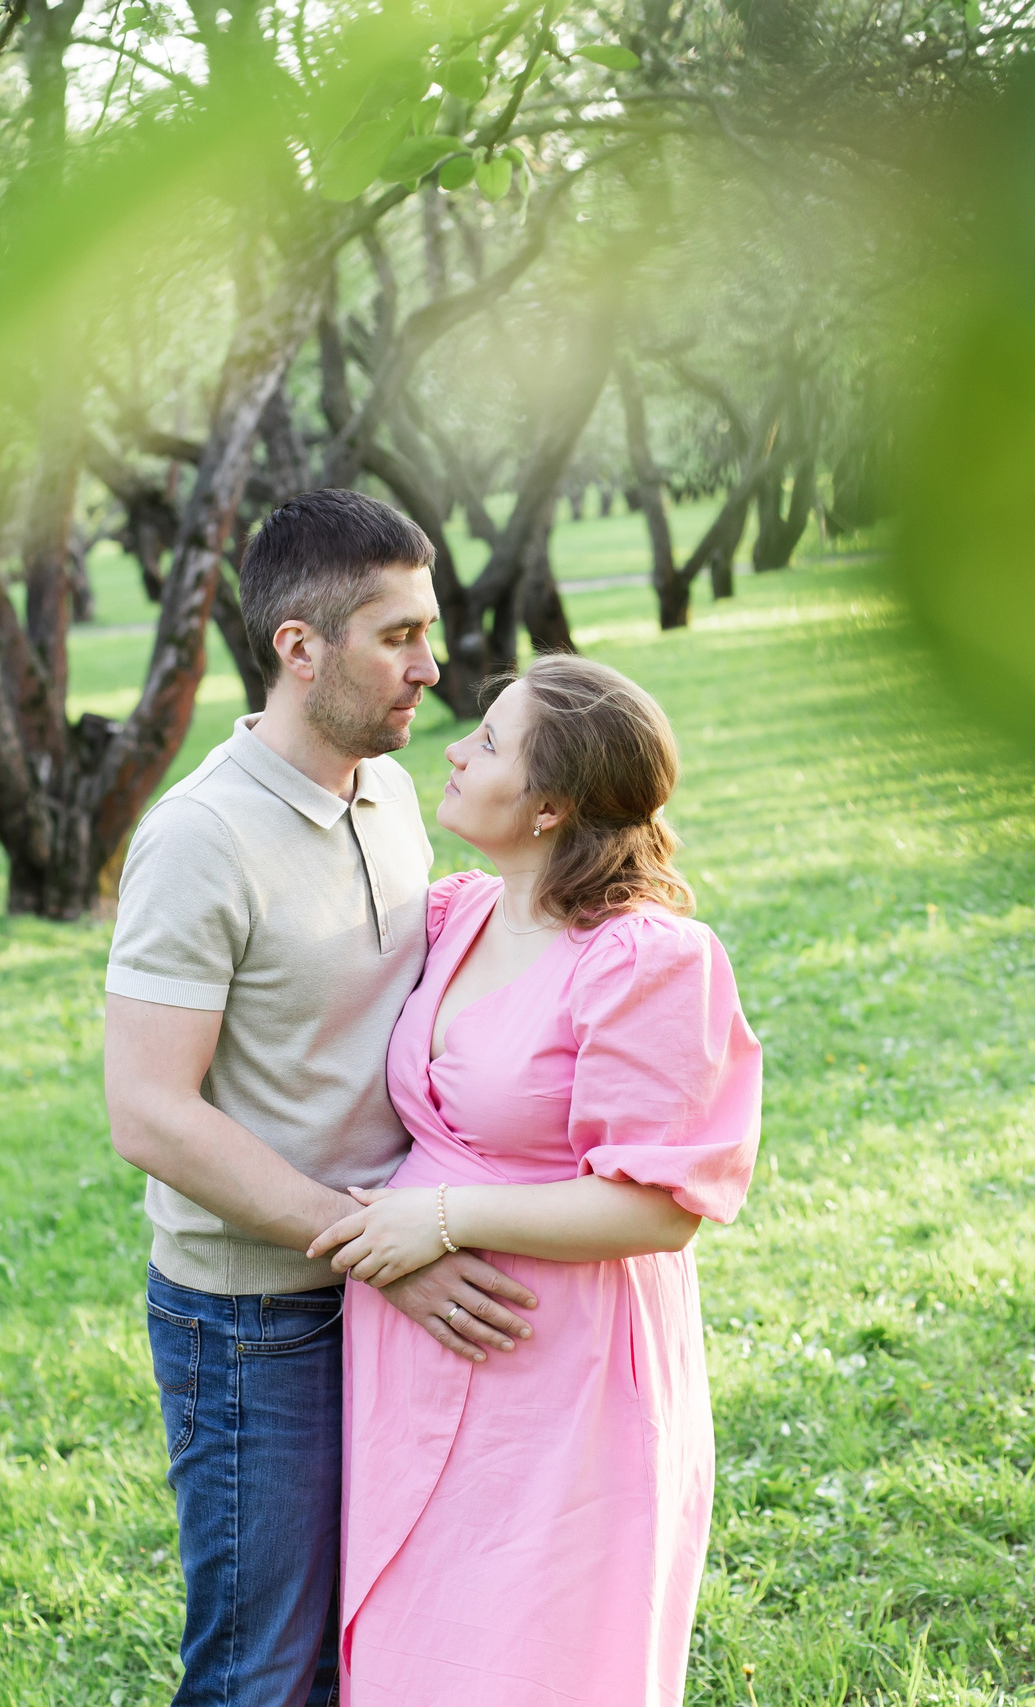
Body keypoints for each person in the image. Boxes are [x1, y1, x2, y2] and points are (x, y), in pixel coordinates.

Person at [102, 489, 541, 1707]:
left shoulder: (391, 793)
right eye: (397, 636)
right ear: (299, 649)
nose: (431, 666)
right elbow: (148, 1111)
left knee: (380, 1648)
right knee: (266, 1674)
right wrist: (376, 1251)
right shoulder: (199, 838)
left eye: (429, 629)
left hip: (384, 1290)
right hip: (254, 1324)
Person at [309, 654, 763, 1707]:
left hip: (562, 1367)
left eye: (492, 742)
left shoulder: (647, 958)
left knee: (532, 1661)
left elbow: (658, 1205)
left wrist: (446, 1216)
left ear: (552, 806)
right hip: (418, 1360)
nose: (456, 749)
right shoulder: (459, 914)